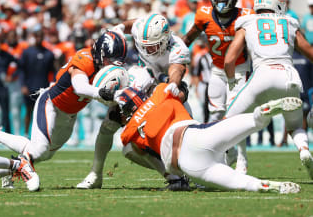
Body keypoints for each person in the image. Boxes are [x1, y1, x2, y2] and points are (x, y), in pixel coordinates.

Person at [0, 31, 128, 191]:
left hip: (69, 114)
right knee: (40, 149)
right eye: (110, 59)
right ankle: (1, 145)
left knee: (43, 153)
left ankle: (3, 152)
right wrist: (104, 93)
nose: (112, 65)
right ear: (101, 53)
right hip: (51, 104)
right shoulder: (85, 58)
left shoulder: (103, 62)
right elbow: (80, 87)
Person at [118, 83, 302, 194]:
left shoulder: (128, 132)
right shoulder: (160, 92)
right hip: (194, 134)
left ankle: (262, 185)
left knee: (241, 183)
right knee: (254, 122)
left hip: (187, 164)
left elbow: (128, 147)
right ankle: (262, 114)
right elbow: (176, 85)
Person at [77, 13, 191, 190]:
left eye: (152, 47)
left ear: (165, 39)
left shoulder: (178, 48)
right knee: (111, 123)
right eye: (143, 45)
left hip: (164, 88)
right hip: (143, 76)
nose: (147, 50)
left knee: (171, 139)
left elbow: (176, 70)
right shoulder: (142, 29)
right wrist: (119, 28)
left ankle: (184, 174)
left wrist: (173, 85)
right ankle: (95, 173)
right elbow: (131, 24)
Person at [224, 0, 313, 179]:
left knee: (231, 120)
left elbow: (229, 60)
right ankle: (304, 149)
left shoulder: (248, 21)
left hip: (261, 77)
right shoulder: (289, 22)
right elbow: (309, 52)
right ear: (278, 3)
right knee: (295, 126)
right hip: (288, 78)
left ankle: (241, 164)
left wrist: (232, 82)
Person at [182, 0, 254, 172]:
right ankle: (219, 156)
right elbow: (188, 39)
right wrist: (178, 56)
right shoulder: (203, 15)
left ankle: (242, 159)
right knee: (215, 114)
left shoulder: (246, 16)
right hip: (217, 70)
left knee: (236, 113)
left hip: (240, 69)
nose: (221, 2)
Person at [19, 30, 55, 136]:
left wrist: (51, 85)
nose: (39, 38)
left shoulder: (49, 53)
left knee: (42, 112)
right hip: (29, 86)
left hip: (43, 86)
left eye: (41, 36)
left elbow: (52, 71)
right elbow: (21, 70)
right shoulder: (27, 52)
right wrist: (23, 85)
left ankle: (40, 134)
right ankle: (25, 133)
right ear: (34, 37)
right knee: (29, 111)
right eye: (37, 36)